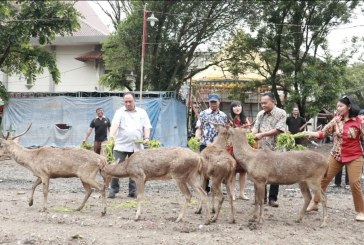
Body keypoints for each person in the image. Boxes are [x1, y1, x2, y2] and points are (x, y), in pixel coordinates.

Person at [306, 95, 364, 222]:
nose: (338, 108)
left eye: (341, 106)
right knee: (323, 179)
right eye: (337, 106)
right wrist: (309, 134)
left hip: (354, 155)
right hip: (336, 154)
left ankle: (361, 211)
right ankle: (315, 203)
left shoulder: (360, 121)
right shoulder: (336, 120)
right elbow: (323, 133)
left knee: (354, 183)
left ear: (349, 107)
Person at [108, 92, 152, 198]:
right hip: (121, 145)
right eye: (126, 101)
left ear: (134, 101)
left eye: (130, 101)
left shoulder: (142, 112)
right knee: (115, 167)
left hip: (136, 147)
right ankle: (113, 189)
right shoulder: (119, 112)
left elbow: (147, 126)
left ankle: (133, 191)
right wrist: (112, 135)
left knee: (135, 169)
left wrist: (146, 138)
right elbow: (115, 124)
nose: (127, 103)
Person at [252, 92, 287, 207]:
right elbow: (255, 128)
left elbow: (279, 129)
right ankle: (261, 198)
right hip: (262, 149)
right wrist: (251, 136)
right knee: (260, 173)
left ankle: (272, 198)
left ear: (273, 102)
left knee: (275, 173)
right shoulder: (260, 114)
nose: (263, 105)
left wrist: (262, 135)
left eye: (265, 103)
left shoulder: (281, 113)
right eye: (261, 103)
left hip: (276, 148)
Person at [195, 93, 228, 192]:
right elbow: (199, 128)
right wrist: (197, 137)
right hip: (205, 144)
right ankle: (204, 187)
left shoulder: (223, 115)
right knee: (204, 166)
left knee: (217, 166)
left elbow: (226, 131)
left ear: (219, 102)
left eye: (215, 102)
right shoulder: (203, 114)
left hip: (218, 146)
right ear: (209, 102)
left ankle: (216, 187)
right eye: (211, 102)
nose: (213, 104)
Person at [227, 100, 251, 200]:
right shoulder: (229, 120)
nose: (237, 108)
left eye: (239, 106)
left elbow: (249, 131)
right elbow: (228, 132)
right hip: (232, 147)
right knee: (232, 171)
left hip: (244, 148)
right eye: (235, 106)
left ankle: (242, 193)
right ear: (232, 109)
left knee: (243, 171)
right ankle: (232, 193)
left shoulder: (246, 119)